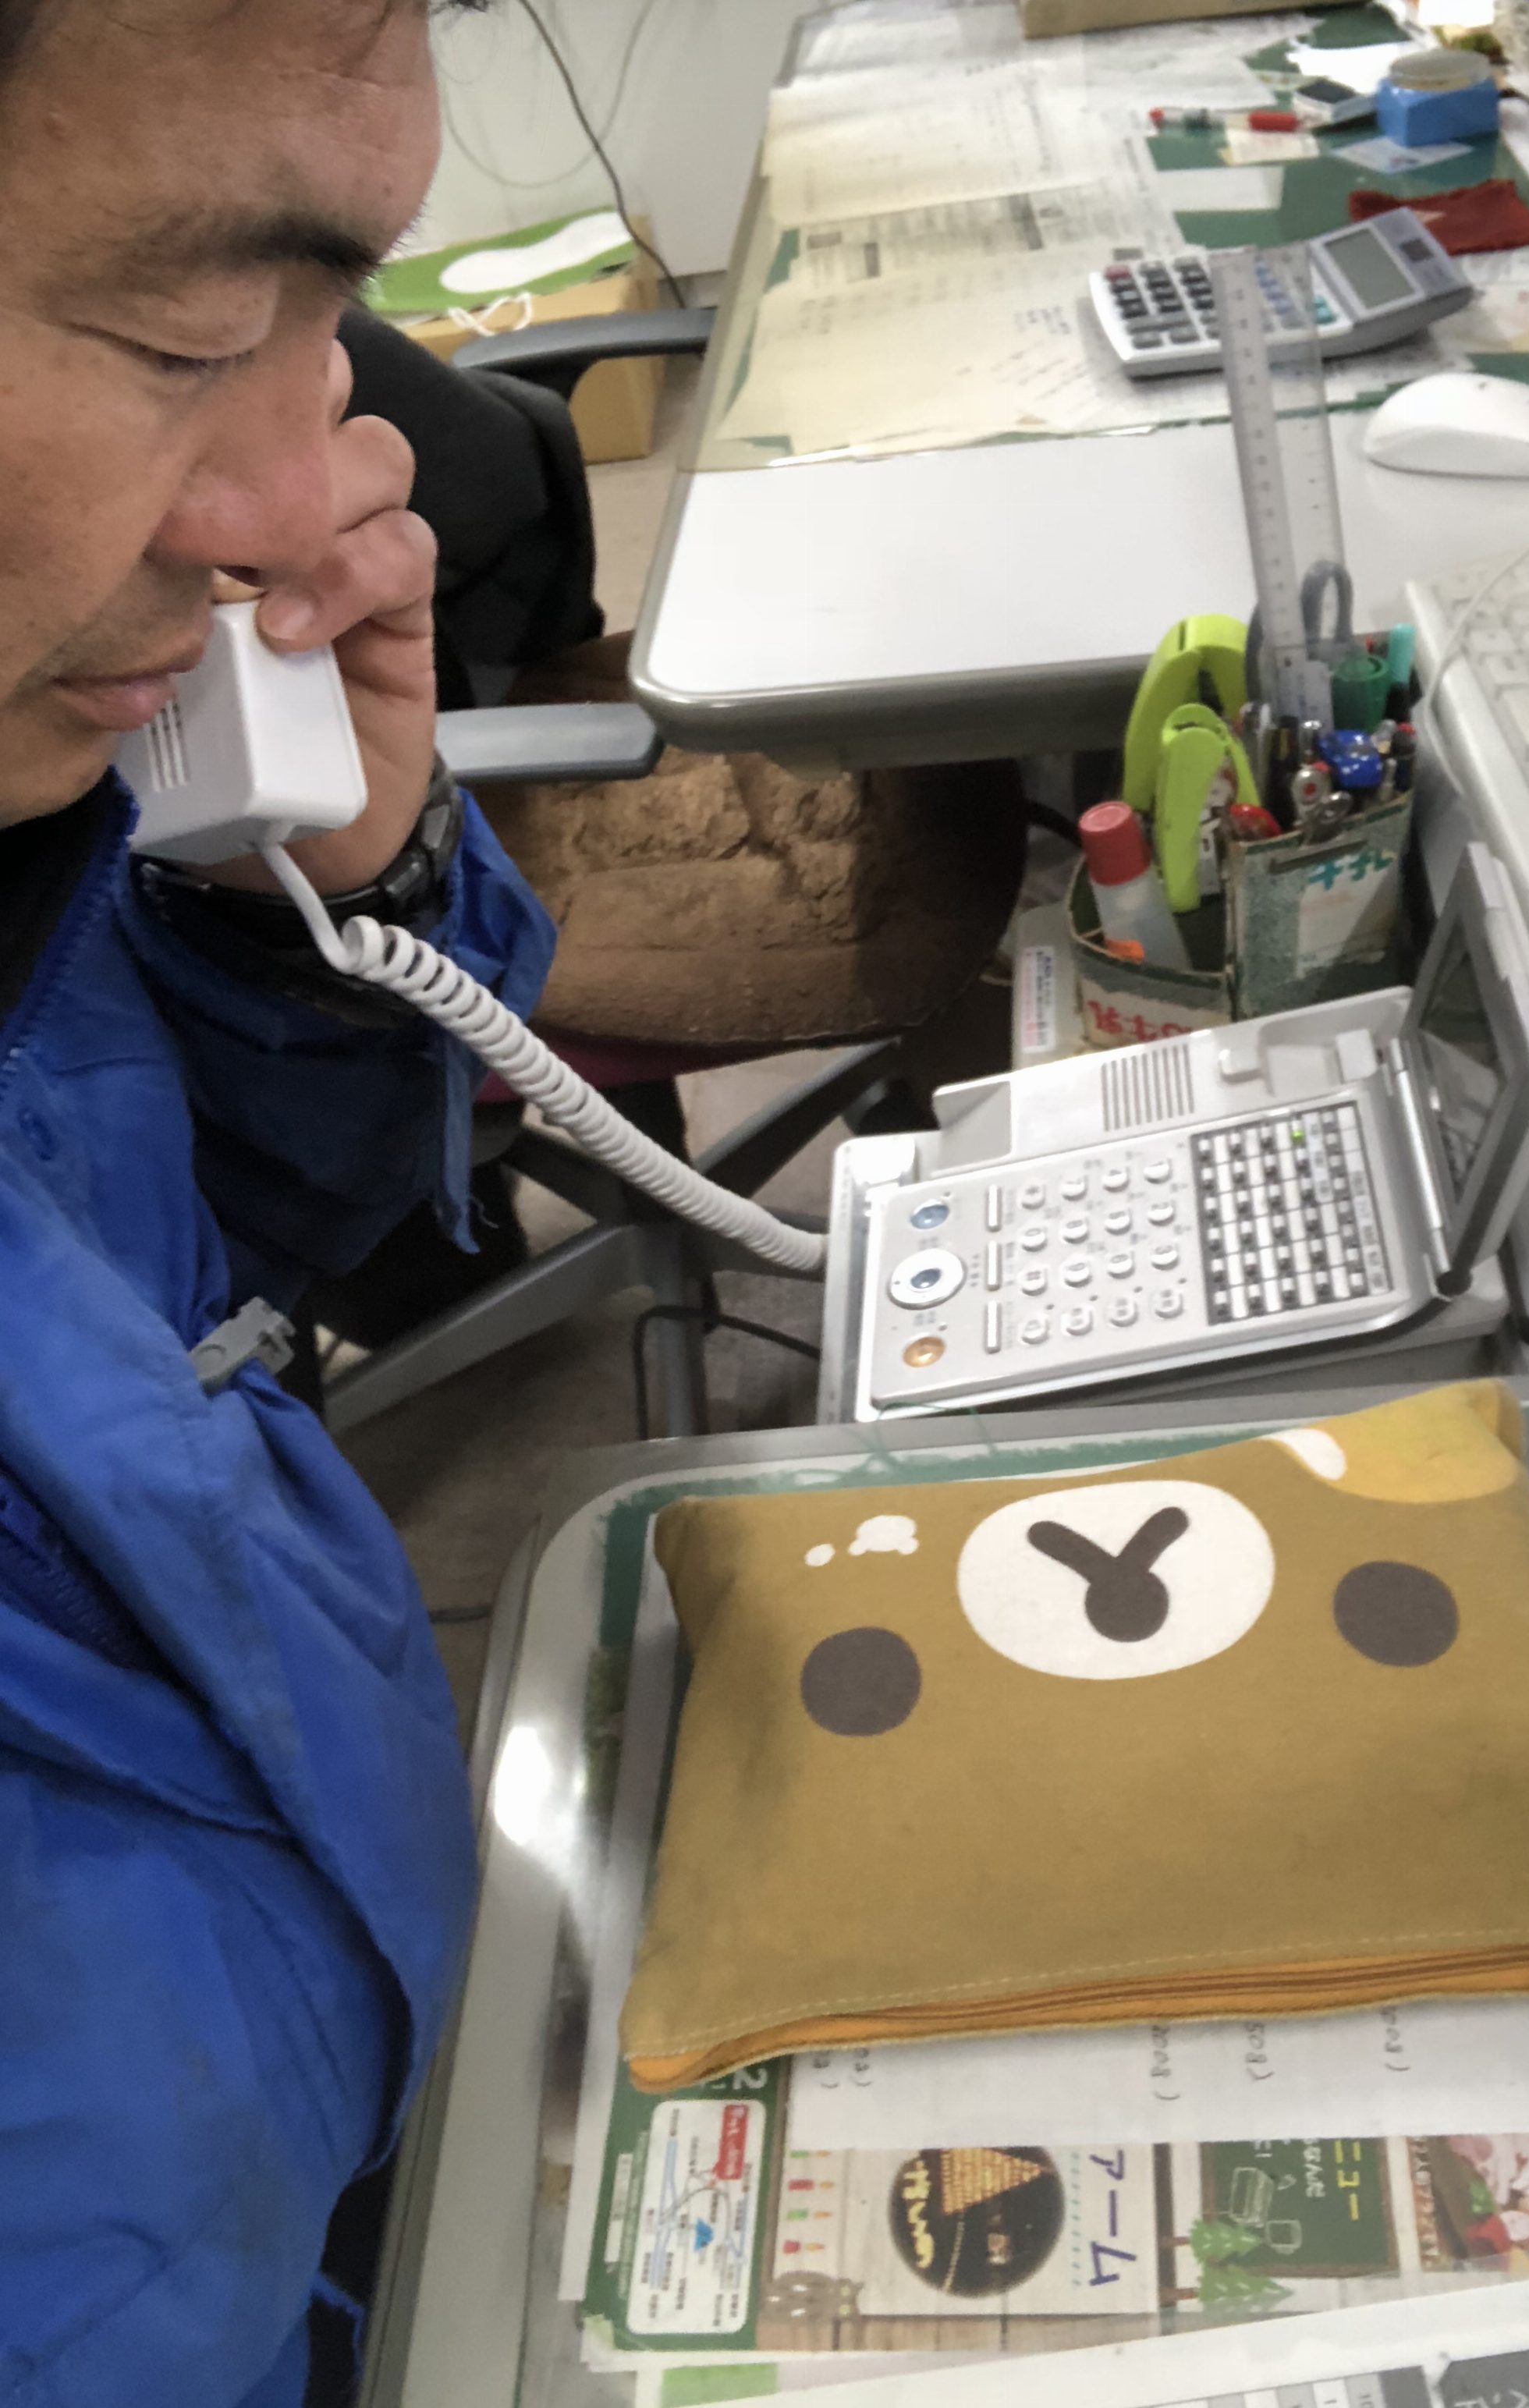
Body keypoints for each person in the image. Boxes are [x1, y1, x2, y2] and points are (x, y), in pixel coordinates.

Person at [0, 0, 557, 2401]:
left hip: (334, 2170)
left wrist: (312, 894)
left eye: (325, 329)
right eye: (184, 334)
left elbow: (209, 1270)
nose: (309, 486)